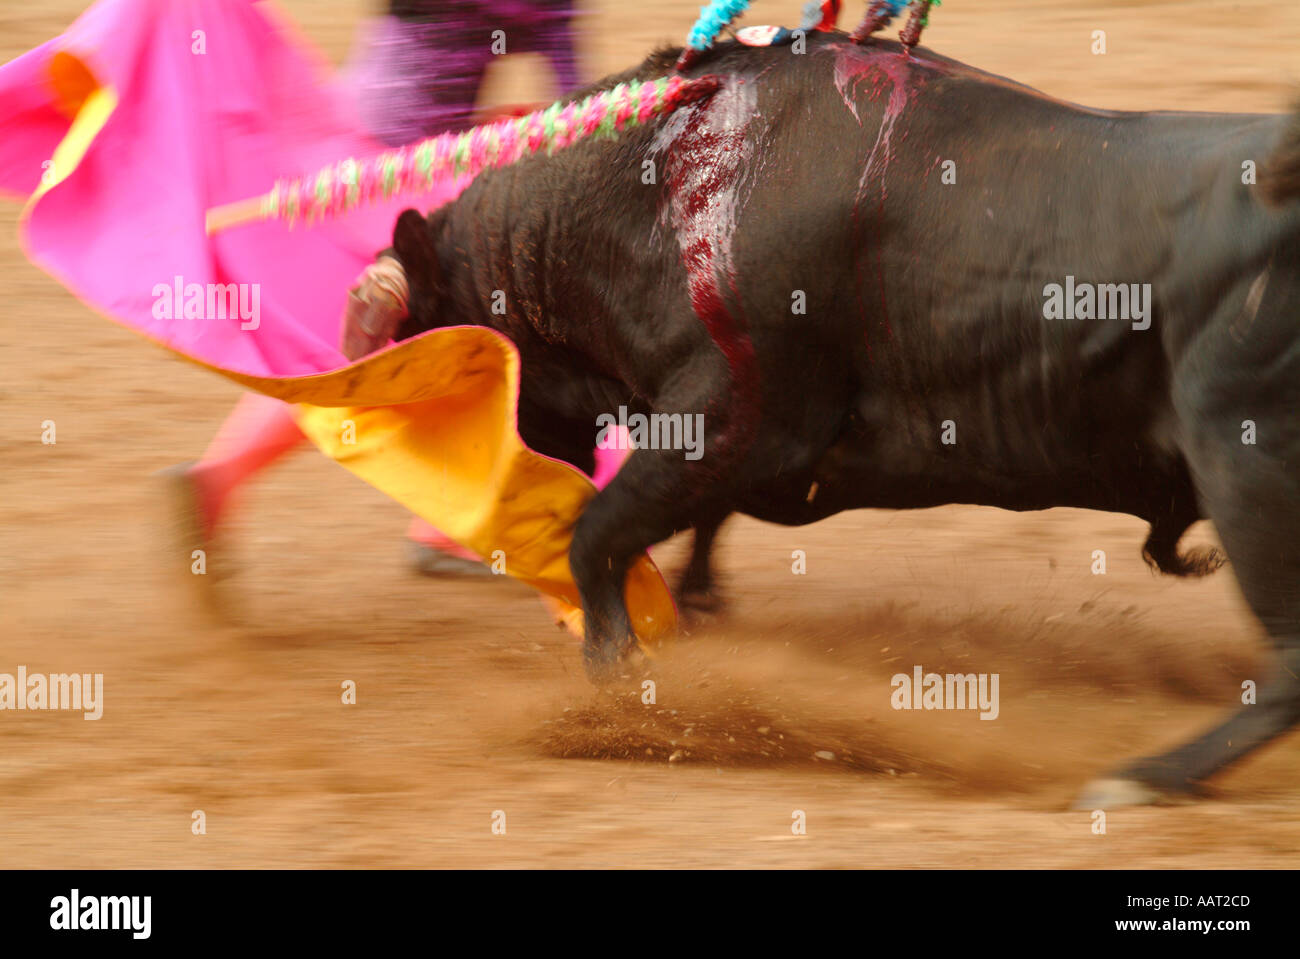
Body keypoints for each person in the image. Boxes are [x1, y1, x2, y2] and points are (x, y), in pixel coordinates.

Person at [168, 0, 600, 580]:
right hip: (401, 183)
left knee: (353, 343)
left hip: (344, 147)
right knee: (481, 340)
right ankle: (449, 527)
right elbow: (580, 105)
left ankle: (223, 475)